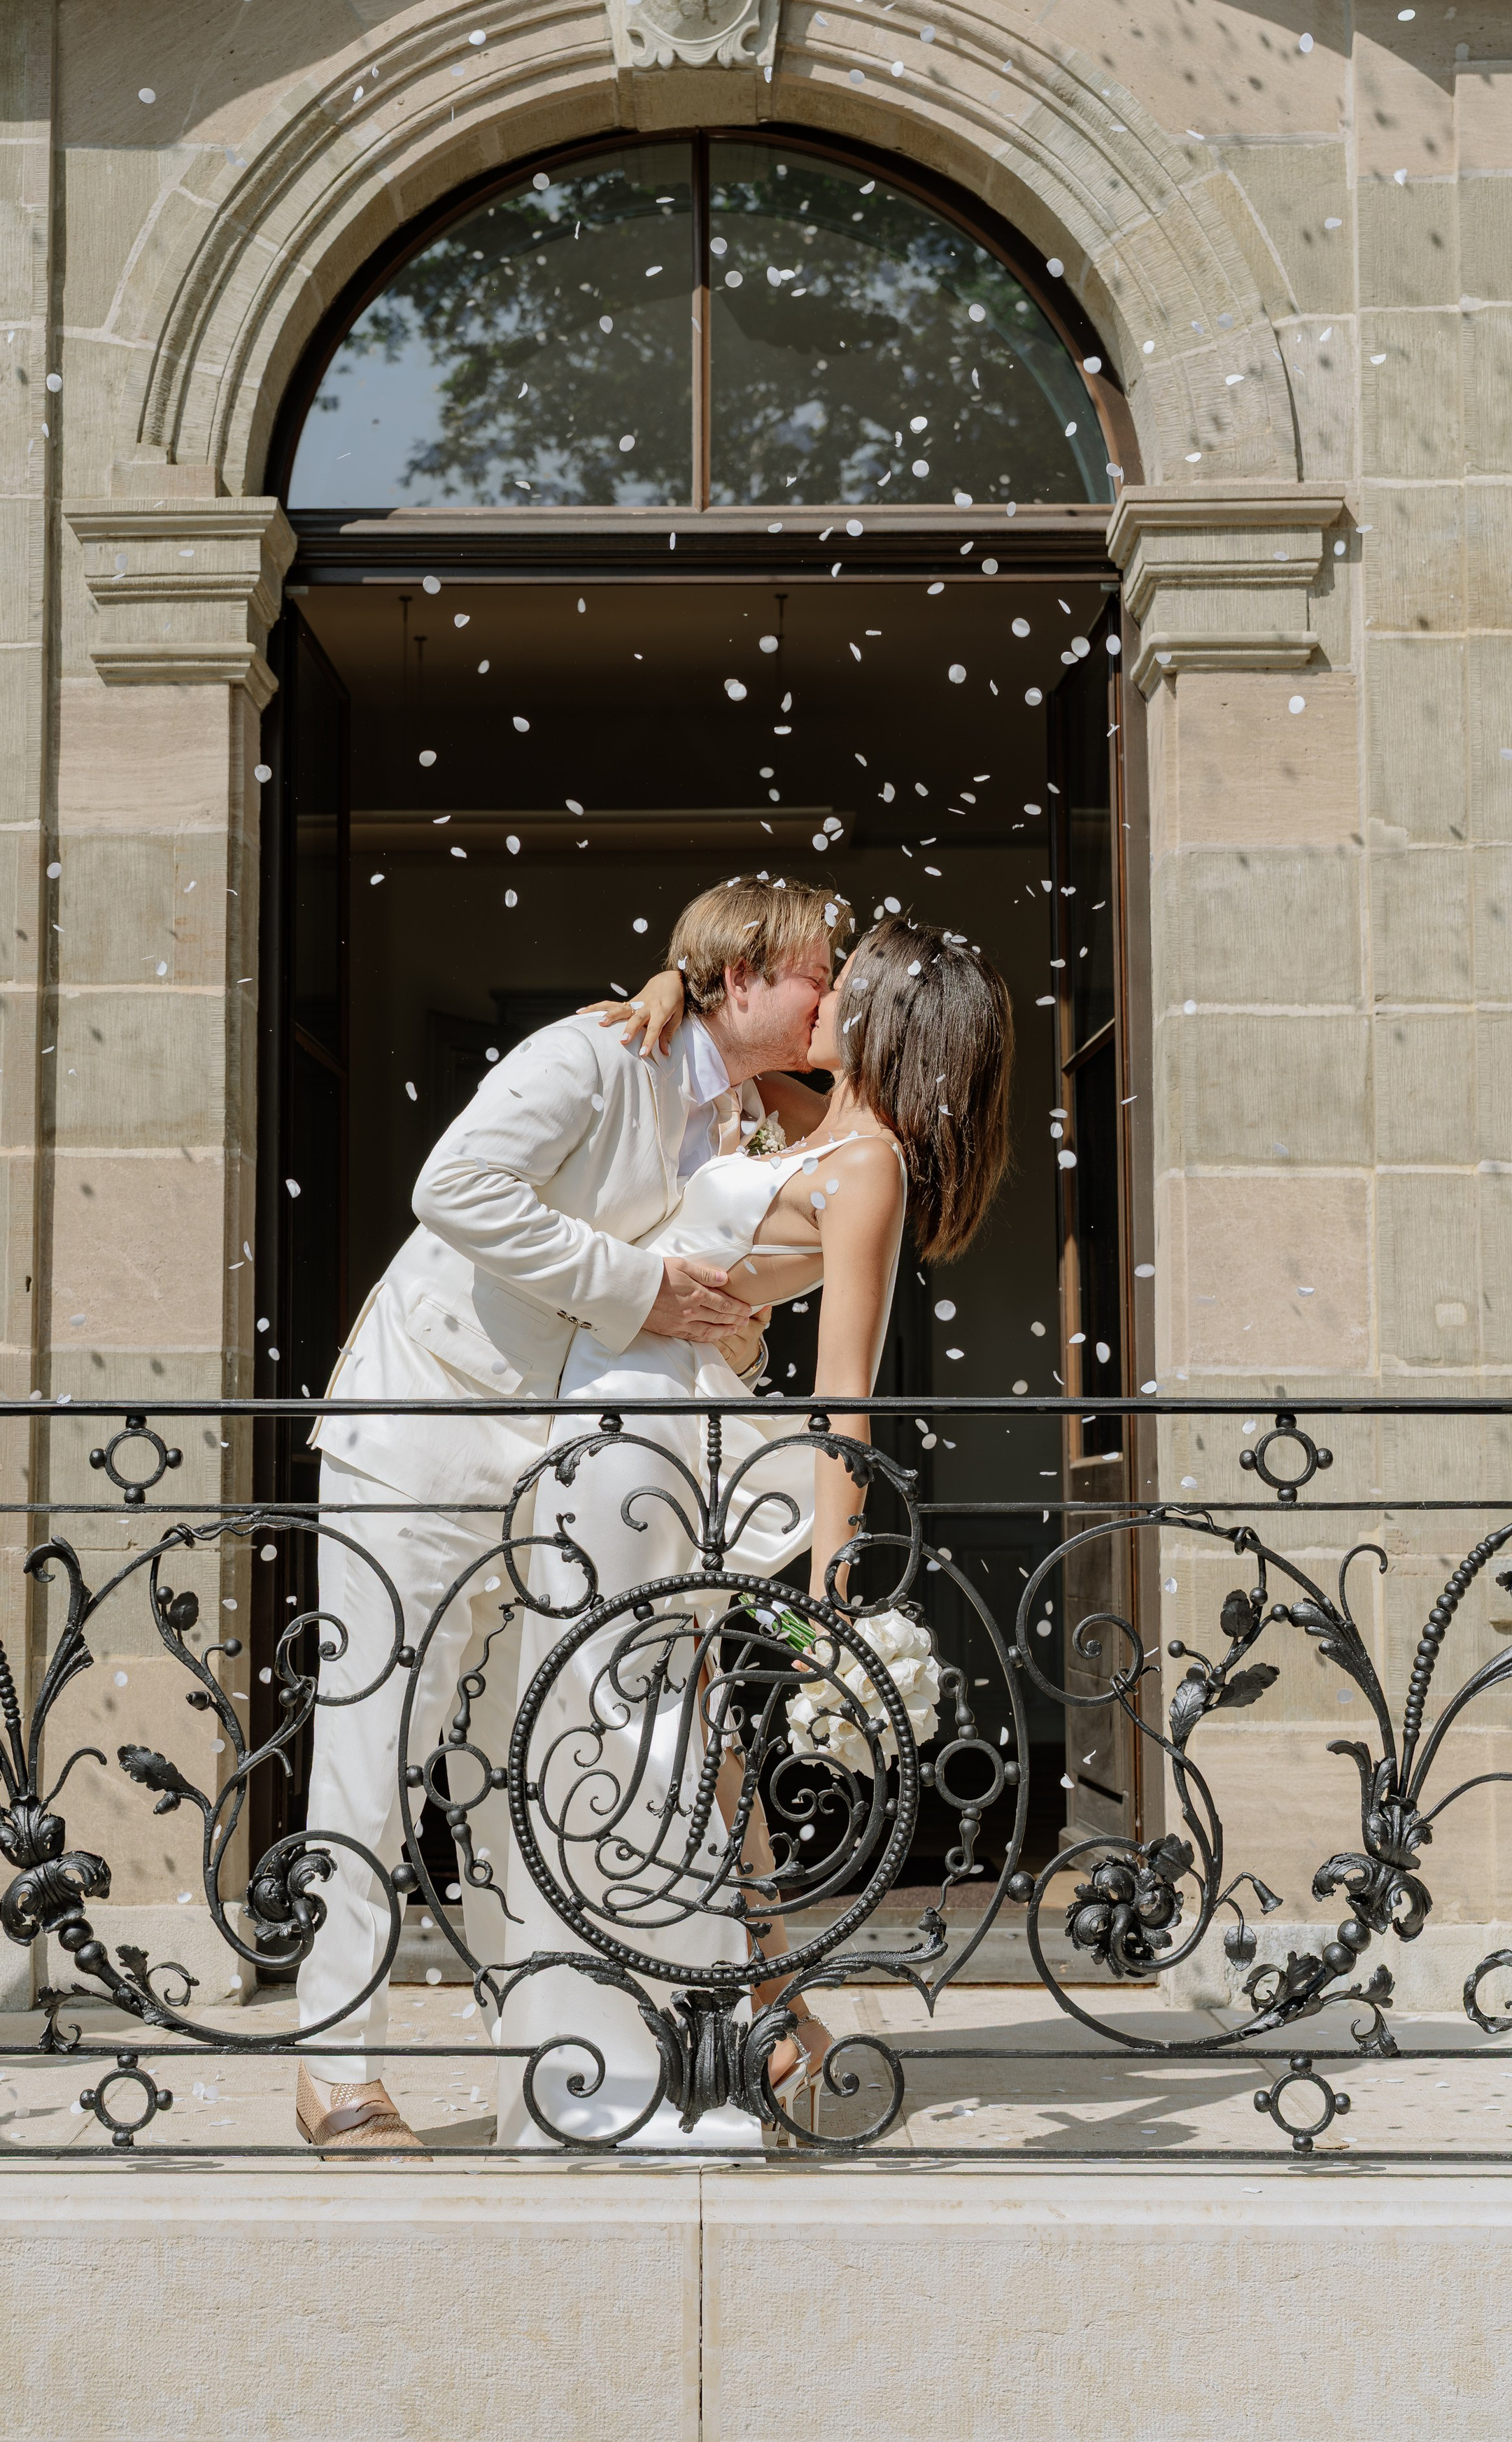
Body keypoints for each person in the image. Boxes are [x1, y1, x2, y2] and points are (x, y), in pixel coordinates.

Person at [292, 876, 847, 2147]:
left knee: (512, 1777)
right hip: (426, 1434)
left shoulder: (745, 1118)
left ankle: (544, 2065)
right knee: (377, 1750)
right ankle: (335, 2072)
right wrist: (643, 1286)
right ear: (746, 969)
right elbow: (458, 1189)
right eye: (820, 967)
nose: (833, 992)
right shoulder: (595, 1053)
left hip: (557, 1471)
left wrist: (718, 1326)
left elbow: (703, 1305)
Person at [493, 912, 1013, 2148]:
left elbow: (852, 1393)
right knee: (647, 1722)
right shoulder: (814, 1117)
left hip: (656, 1431)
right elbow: (713, 1049)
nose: (820, 995)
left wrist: (839, 1590)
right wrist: (672, 983)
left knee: (642, 1723)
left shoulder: (871, 1163)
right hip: (630, 1410)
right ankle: (766, 2012)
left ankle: (681, 2046)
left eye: (850, 984)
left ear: (893, 1021)